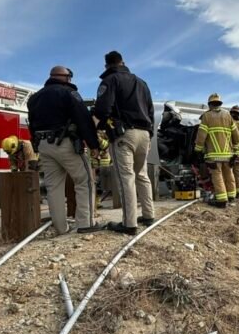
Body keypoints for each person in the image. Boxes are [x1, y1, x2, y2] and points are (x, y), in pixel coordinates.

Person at [27, 65, 101, 235]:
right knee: (85, 181)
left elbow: (31, 124)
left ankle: (61, 228)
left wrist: (37, 146)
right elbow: (83, 119)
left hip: (44, 145)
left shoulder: (34, 98)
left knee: (54, 188)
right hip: (65, 143)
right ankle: (85, 223)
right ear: (66, 78)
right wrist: (93, 144)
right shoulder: (69, 93)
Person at [94, 50, 155, 235]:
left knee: (126, 177)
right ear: (123, 62)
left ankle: (129, 224)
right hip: (144, 133)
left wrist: (106, 126)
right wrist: (149, 132)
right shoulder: (142, 83)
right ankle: (148, 215)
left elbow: (102, 109)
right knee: (142, 174)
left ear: (107, 66)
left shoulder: (110, 80)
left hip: (124, 134)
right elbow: (150, 110)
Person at [194, 93, 239, 208]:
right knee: (229, 174)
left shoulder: (207, 116)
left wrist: (198, 150)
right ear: (219, 104)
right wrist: (235, 150)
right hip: (228, 154)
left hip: (214, 155)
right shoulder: (228, 116)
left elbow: (201, 136)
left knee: (217, 176)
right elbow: (237, 137)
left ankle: (221, 201)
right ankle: (231, 197)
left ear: (210, 104)